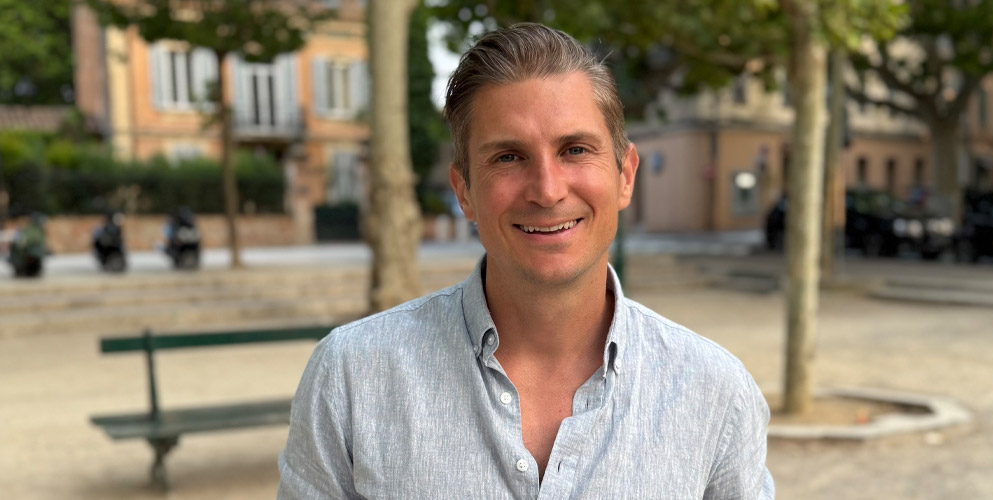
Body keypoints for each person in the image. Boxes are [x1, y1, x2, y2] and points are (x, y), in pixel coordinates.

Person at [278, 23, 773, 499]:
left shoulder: (715, 393)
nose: (547, 190)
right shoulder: (352, 377)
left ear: (625, 175)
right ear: (464, 191)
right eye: (509, 157)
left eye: (574, 150)